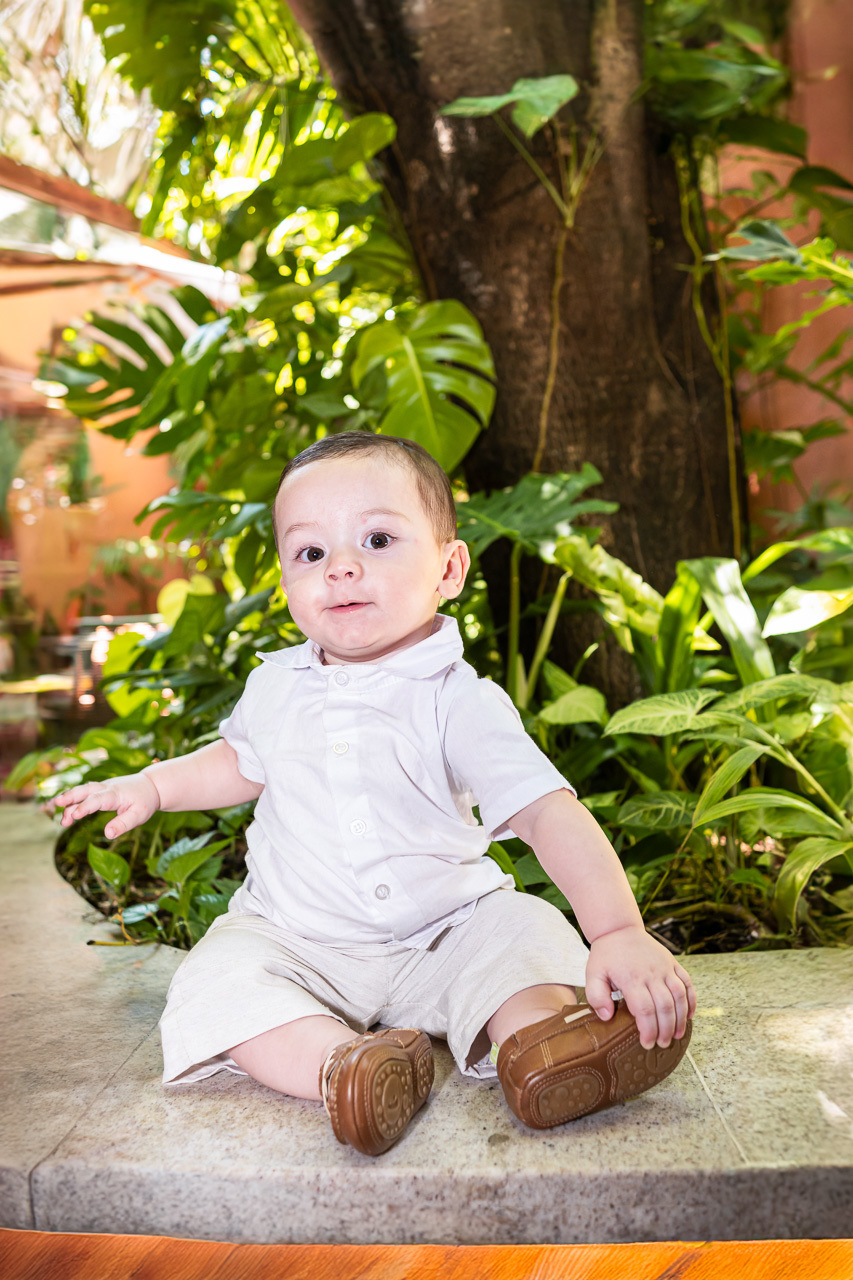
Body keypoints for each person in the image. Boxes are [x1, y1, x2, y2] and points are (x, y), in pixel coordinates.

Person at [55, 432, 696, 1157]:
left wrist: (616, 932)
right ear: (288, 581)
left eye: (378, 539)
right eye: (311, 553)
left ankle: (543, 1048)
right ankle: (345, 1067)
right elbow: (238, 761)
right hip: (297, 939)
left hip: (446, 932)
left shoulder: (459, 701)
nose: (343, 568)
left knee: (520, 932)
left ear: (448, 568)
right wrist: (152, 785)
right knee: (218, 977)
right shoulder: (276, 686)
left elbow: (548, 813)